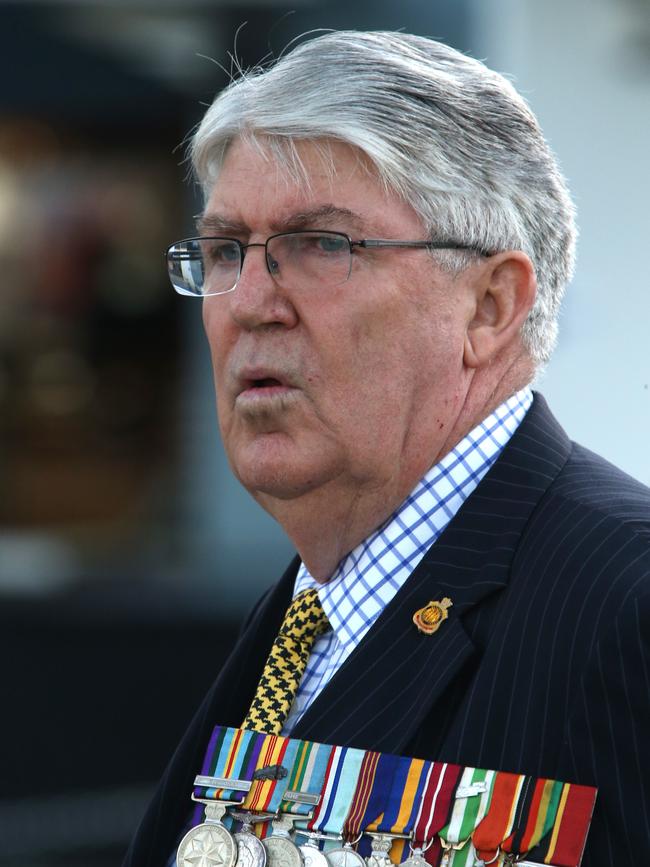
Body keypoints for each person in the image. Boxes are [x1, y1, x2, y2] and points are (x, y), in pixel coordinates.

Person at [124, 31, 650, 867]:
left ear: (489, 306)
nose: (251, 302)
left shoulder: (625, 605)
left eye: (324, 245)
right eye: (226, 251)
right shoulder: (310, 609)